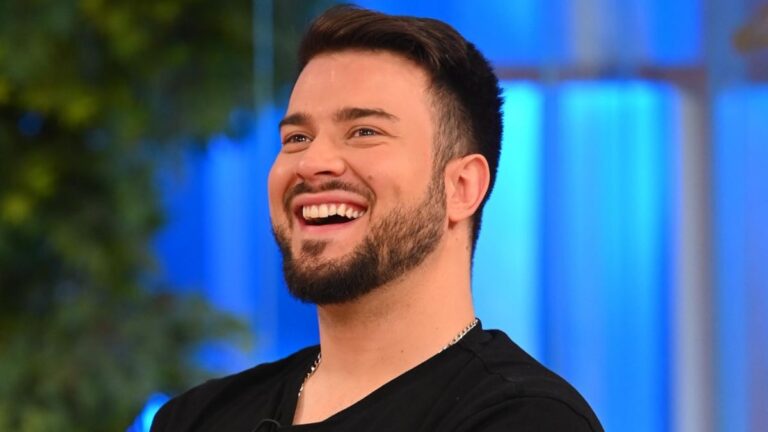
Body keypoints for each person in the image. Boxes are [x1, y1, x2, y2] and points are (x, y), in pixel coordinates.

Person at [151, 5, 603, 431]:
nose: (312, 163)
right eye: (297, 138)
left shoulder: (526, 417)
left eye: (364, 132)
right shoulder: (196, 418)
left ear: (462, 187)